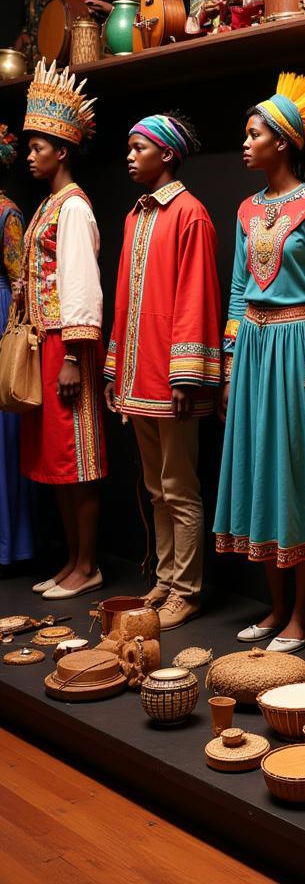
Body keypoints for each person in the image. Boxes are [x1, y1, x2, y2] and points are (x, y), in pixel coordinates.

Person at [215, 72, 305, 654]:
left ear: (282, 142)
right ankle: (276, 607)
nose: (245, 142)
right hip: (256, 350)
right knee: (260, 467)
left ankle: (303, 615)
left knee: (295, 474)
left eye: (254, 133)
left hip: (294, 342)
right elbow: (238, 288)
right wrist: (232, 362)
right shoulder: (244, 209)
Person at [104, 114, 221, 631]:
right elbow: (127, 302)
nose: (129, 155)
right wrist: (115, 370)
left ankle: (188, 591)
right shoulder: (136, 216)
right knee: (156, 486)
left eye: (138, 147)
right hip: (139, 371)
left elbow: (197, 295)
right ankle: (167, 579)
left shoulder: (190, 213)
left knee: (179, 484)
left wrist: (186, 374)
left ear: (167, 155)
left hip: (173, 374)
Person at [21, 61, 106, 599]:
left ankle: (87, 564)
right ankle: (72, 561)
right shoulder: (49, 205)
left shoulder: (72, 207)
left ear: (62, 150)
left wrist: (75, 353)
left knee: (78, 458)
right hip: (48, 342)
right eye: (28, 148)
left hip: (67, 344)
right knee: (56, 458)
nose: (31, 155)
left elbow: (80, 281)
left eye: (38, 147)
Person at [0, 124, 33, 567]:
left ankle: (10, 544)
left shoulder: (7, 213)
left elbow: (19, 281)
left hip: (1, 314)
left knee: (3, 437)